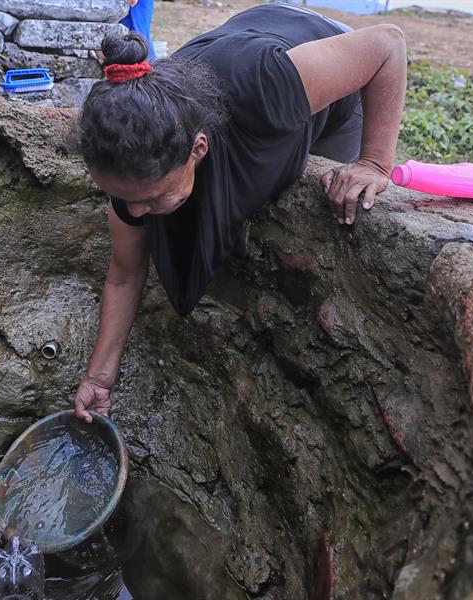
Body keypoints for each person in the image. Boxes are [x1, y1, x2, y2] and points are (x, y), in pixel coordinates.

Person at [72, 4, 407, 422]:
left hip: (326, 60)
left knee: (323, 173)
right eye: (124, 198)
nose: (136, 211)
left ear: (198, 149)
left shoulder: (267, 86)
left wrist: (374, 163)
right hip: (242, 43)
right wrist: (99, 380)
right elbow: (123, 275)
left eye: (152, 197)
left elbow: (387, 43)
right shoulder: (132, 149)